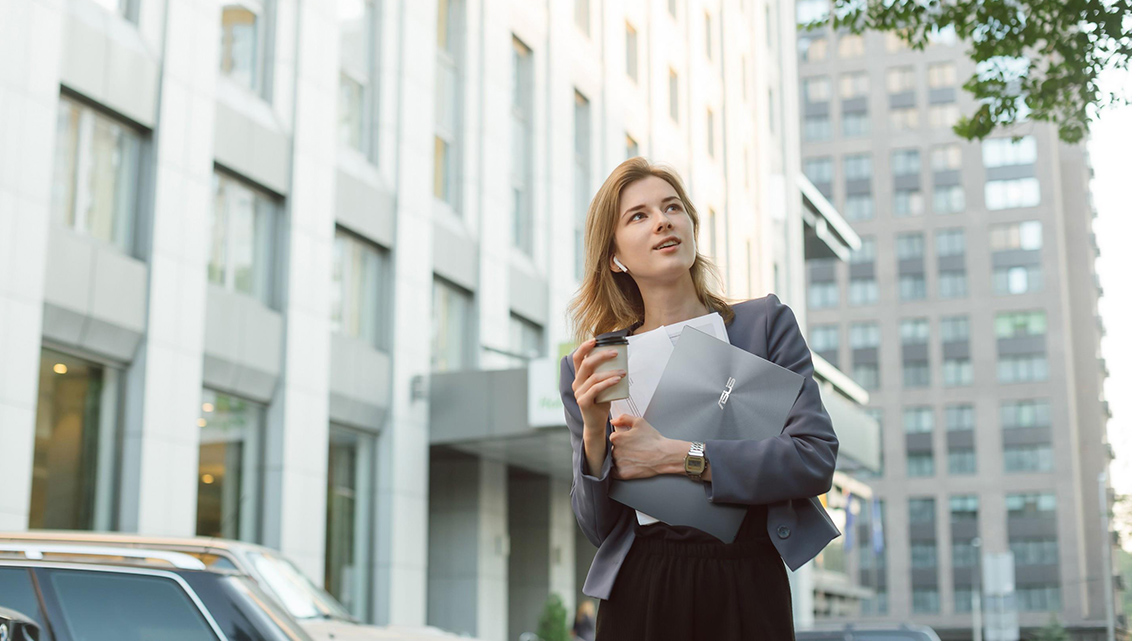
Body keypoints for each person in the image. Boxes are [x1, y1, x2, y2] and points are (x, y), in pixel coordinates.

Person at [559, 158, 841, 640]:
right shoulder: (596, 364)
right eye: (639, 216)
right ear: (614, 256)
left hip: (747, 579)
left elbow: (813, 459)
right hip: (641, 586)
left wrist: (678, 456)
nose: (663, 220)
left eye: (673, 207)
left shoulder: (762, 327)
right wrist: (592, 431)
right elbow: (599, 528)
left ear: (691, 225)